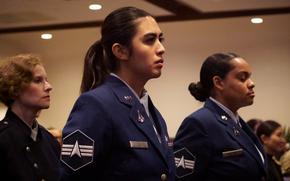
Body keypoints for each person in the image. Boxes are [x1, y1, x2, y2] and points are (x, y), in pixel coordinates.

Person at [60, 6, 175, 181]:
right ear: (120, 51)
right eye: (150, 40)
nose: (161, 48)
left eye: (161, 39)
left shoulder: (150, 110)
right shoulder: (95, 105)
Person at [173, 53, 267, 180]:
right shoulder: (199, 124)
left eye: (250, 77)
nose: (251, 83)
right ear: (219, 83)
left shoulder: (238, 123)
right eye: (242, 78)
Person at [0, 54, 61, 180]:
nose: (49, 87)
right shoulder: (3, 139)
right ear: (15, 87)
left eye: (46, 80)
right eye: (38, 81)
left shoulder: (50, 141)